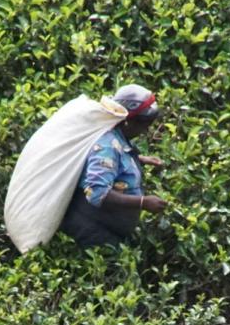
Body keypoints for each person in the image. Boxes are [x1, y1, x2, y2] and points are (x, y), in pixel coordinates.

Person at [60, 84, 168, 249]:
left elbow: (114, 159)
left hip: (110, 232)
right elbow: (96, 193)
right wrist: (143, 202)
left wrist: (139, 159)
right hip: (95, 233)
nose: (146, 131)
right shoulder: (107, 145)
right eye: (144, 124)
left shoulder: (117, 138)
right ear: (127, 121)